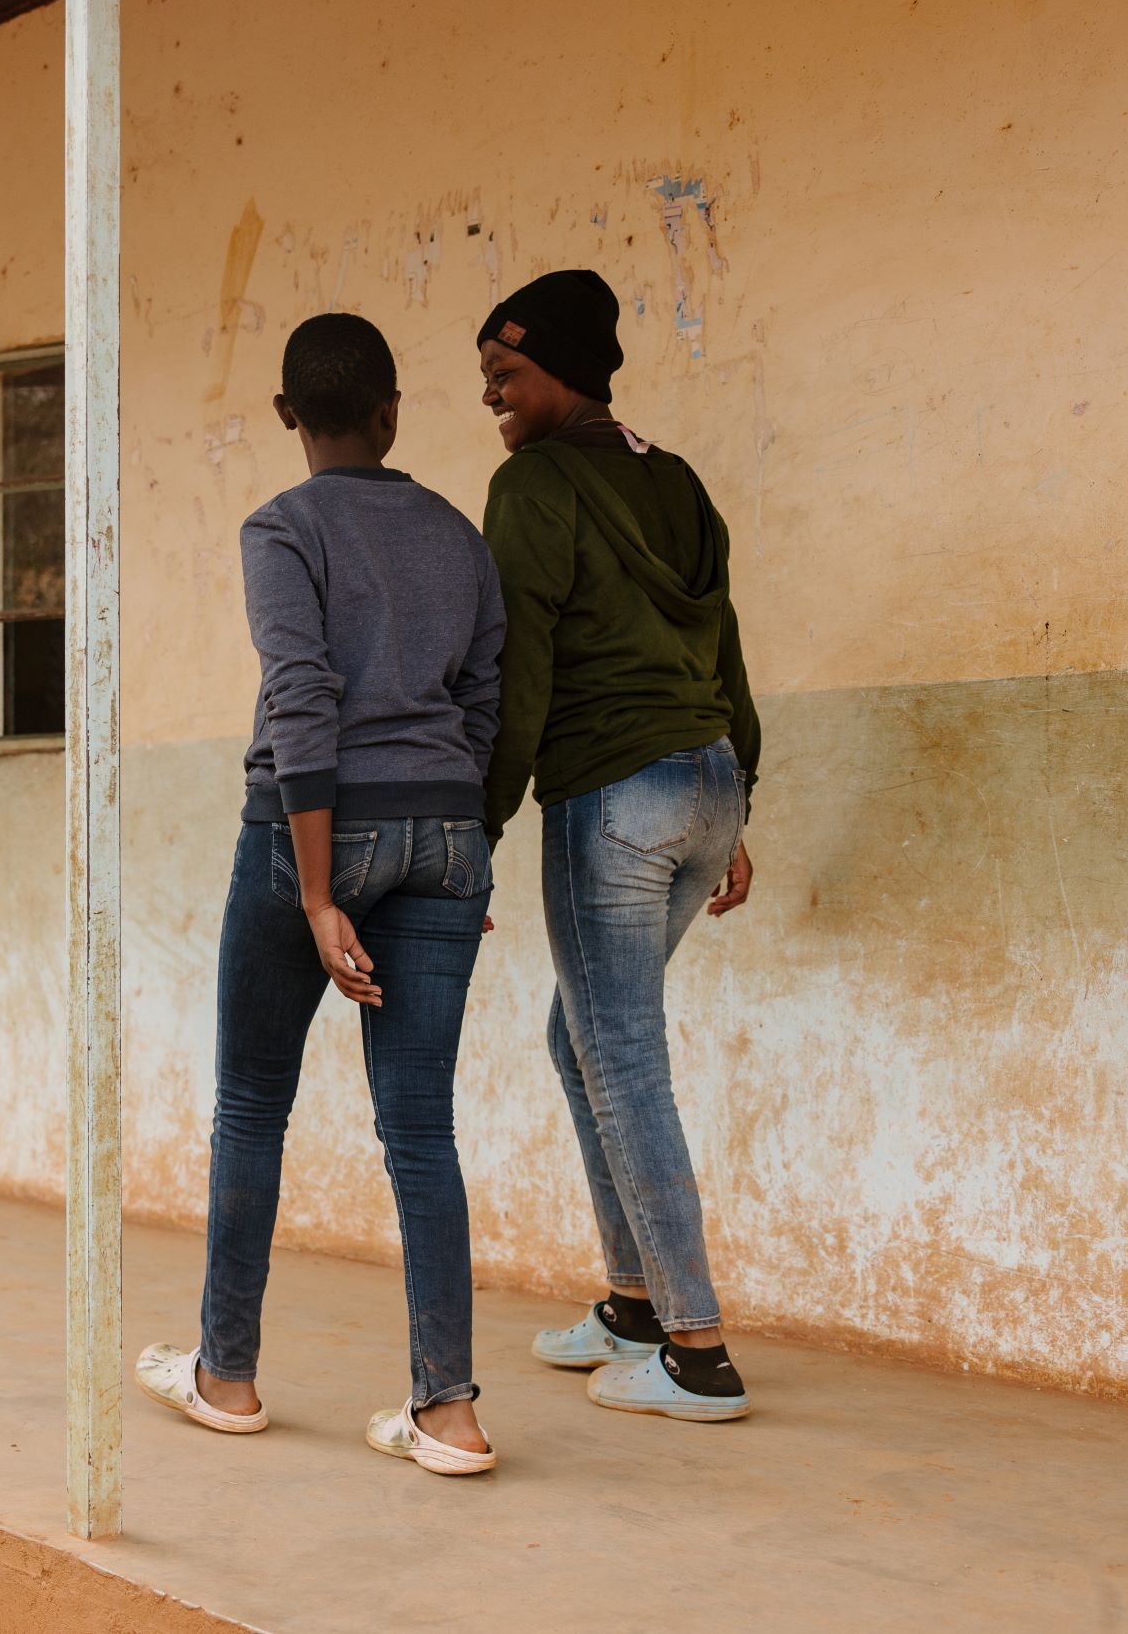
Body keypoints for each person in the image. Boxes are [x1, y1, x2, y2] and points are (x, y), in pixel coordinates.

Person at [137, 312, 507, 1475]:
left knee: (252, 1103)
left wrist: (315, 893)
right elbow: (488, 706)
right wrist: (457, 851)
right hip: (446, 836)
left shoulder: (282, 527)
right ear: (393, 409)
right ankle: (446, 1413)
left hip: (314, 835)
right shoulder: (456, 532)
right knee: (421, 1130)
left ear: (290, 415)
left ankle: (228, 1376)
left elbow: (302, 698)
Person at [475, 269, 762, 1422]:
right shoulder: (676, 480)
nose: (490, 393)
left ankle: (697, 1353)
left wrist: (481, 820)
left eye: (507, 373)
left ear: (568, 371)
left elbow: (519, 670)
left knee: (621, 1052)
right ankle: (634, 1305)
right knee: (579, 1035)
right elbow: (723, 640)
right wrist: (740, 801)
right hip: (703, 783)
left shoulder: (533, 487)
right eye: (486, 375)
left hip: (611, 794)